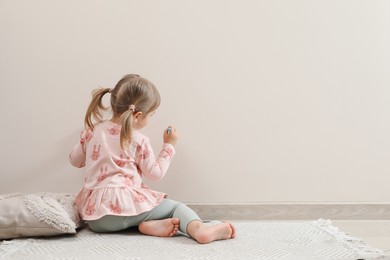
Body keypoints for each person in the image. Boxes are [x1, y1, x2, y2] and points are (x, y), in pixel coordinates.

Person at [69, 74, 235, 244]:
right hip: (123, 207)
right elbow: (155, 174)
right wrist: (169, 145)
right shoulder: (138, 139)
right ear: (138, 115)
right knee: (175, 208)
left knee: (133, 213)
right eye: (151, 115)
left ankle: (145, 225)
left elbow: (74, 161)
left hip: (96, 218)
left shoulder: (91, 131)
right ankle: (200, 231)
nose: (151, 119)